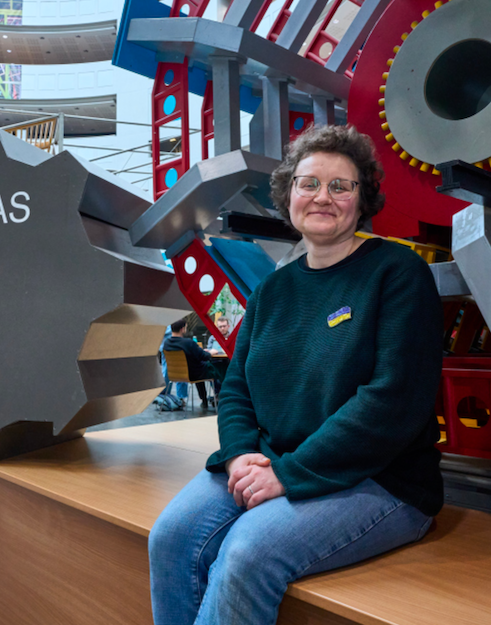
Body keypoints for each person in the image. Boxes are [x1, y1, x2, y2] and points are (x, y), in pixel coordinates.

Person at [148, 125, 444, 625]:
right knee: (171, 535)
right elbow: (237, 385)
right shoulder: (273, 291)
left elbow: (390, 401)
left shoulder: (398, 273)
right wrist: (243, 455)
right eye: (308, 184)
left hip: (381, 480)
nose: (322, 197)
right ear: (288, 195)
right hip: (271, 460)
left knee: (247, 552)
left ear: (362, 197)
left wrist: (288, 474)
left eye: (340, 186)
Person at [162, 319, 220, 409]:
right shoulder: (188, 343)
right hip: (193, 374)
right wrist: (211, 352)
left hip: (175, 375)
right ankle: (219, 396)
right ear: (182, 329)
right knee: (217, 367)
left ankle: (204, 400)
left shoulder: (166, 344)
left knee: (200, 367)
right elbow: (204, 356)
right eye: (186, 327)